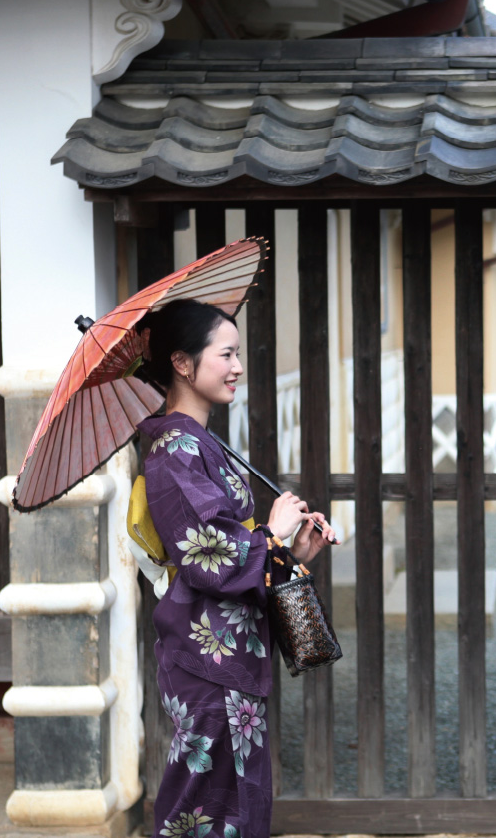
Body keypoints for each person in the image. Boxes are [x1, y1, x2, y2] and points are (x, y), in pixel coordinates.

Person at [135, 298, 336, 838]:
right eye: (226, 354)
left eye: (238, 354)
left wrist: (292, 553)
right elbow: (206, 553)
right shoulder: (174, 448)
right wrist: (271, 531)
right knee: (201, 803)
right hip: (206, 660)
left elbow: (234, 546)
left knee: (235, 801)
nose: (237, 367)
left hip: (228, 655)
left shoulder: (200, 442)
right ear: (182, 363)